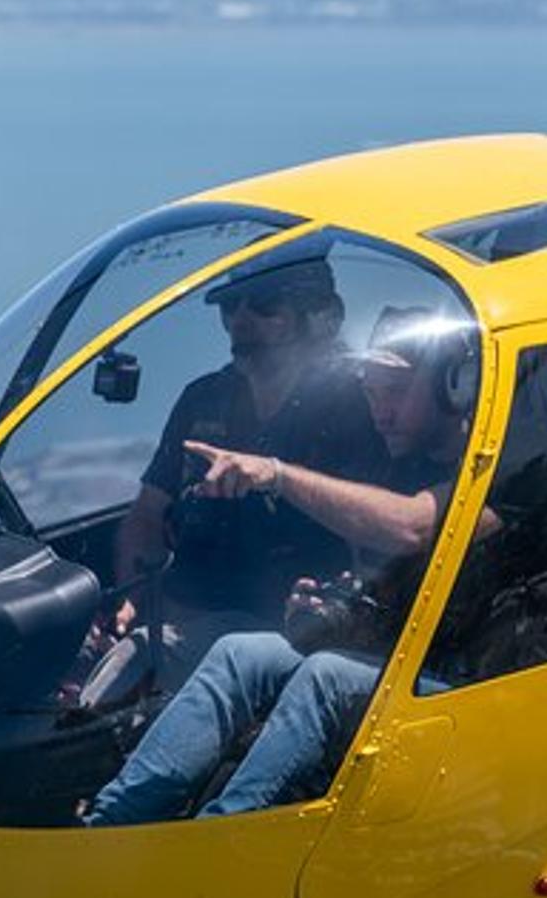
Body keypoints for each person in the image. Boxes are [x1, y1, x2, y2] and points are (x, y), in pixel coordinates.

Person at [80, 307, 479, 825]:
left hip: (471, 682)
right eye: (372, 392)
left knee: (324, 677)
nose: (380, 411)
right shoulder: (389, 462)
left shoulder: (499, 466)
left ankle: (221, 835)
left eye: (397, 393)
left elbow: (413, 527)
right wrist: (329, 603)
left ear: (456, 387)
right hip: (388, 659)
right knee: (239, 653)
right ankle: (109, 822)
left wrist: (276, 474)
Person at [80, 255, 383, 705]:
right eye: (230, 305)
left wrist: (279, 478)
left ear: (316, 316)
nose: (241, 318)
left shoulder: (356, 408)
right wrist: (134, 600)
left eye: (264, 304)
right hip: (178, 619)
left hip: (281, 632)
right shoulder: (203, 399)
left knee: (138, 659)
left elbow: (379, 531)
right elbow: (147, 515)